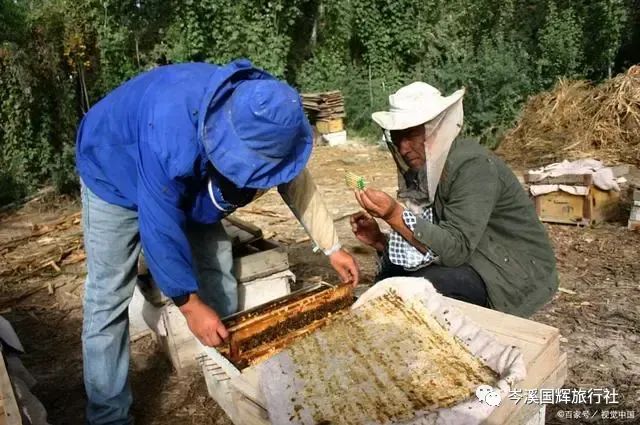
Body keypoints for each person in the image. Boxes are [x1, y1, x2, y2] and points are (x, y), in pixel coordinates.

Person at [76, 59, 359, 425]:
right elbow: (158, 227)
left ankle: (224, 364)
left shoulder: (263, 111)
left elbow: (292, 177)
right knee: (108, 295)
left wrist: (332, 246)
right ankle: (108, 414)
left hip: (179, 168)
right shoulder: (169, 134)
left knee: (217, 261)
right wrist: (190, 304)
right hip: (111, 165)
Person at [350, 82, 557, 317]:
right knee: (397, 281)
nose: (403, 147)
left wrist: (393, 214)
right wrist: (380, 241)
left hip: (514, 273)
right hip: (475, 255)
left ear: (435, 128)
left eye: (410, 135)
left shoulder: (472, 167)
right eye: (397, 138)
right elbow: (434, 237)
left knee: (419, 288)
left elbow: (455, 248)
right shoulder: (430, 167)